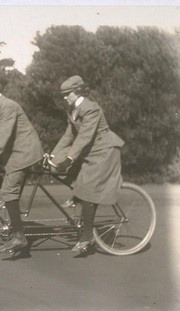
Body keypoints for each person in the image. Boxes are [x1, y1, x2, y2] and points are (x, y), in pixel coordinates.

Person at [50, 75, 124, 256]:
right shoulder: (73, 110)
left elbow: (85, 136)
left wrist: (68, 158)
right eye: (63, 94)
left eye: (67, 94)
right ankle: (78, 198)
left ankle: (86, 237)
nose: (64, 97)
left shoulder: (91, 108)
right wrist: (52, 155)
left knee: (88, 190)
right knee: (59, 170)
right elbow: (68, 136)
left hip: (104, 151)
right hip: (91, 152)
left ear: (78, 92)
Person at [0, 74, 44, 254]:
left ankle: (19, 237)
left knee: (9, 190)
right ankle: (10, 203)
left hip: (25, 153)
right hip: (16, 153)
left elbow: (2, 138)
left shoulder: (8, 106)